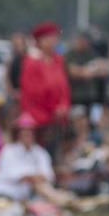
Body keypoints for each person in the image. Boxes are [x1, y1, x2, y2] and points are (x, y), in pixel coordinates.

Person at [0, 113, 73, 206]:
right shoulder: (8, 151)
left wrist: (33, 177)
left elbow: (48, 175)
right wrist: (34, 176)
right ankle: (61, 200)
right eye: (23, 130)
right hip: (8, 193)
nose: (27, 133)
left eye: (30, 130)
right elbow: (17, 176)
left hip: (29, 193)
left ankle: (61, 200)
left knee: (40, 186)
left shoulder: (39, 152)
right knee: (38, 185)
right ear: (18, 133)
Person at [18, 21, 70, 159]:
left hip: (57, 117)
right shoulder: (31, 62)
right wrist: (54, 108)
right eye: (48, 38)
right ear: (39, 41)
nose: (52, 42)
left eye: (53, 38)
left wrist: (63, 105)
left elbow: (64, 88)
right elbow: (34, 92)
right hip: (39, 116)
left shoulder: (57, 60)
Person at [63, 31, 109, 118]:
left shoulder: (91, 53)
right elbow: (76, 73)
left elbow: (103, 70)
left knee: (94, 122)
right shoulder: (70, 55)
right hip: (76, 97)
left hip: (92, 96)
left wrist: (87, 70)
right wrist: (92, 68)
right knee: (78, 120)